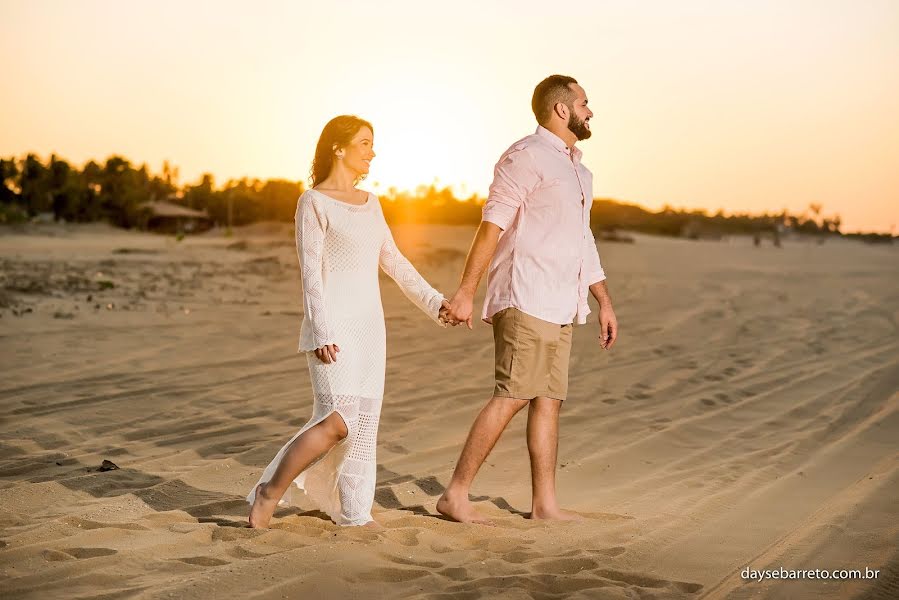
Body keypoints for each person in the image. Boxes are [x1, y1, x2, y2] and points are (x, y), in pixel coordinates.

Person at [247, 115, 454, 528]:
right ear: (338, 148)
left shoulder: (372, 202)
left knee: (363, 427)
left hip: (370, 329)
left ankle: (355, 513)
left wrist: (436, 303)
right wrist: (320, 329)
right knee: (337, 421)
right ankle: (269, 492)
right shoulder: (313, 202)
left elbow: (394, 261)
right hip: (333, 327)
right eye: (364, 143)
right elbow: (310, 273)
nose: (372, 152)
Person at [436, 75, 618, 524]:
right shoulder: (525, 157)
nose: (590, 111)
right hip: (526, 294)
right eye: (584, 103)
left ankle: (544, 505)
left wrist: (603, 301)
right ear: (561, 110)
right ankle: (455, 494)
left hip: (561, 301)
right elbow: (491, 226)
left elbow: (582, 240)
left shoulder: (579, 170)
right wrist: (465, 290)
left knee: (549, 400)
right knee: (513, 392)